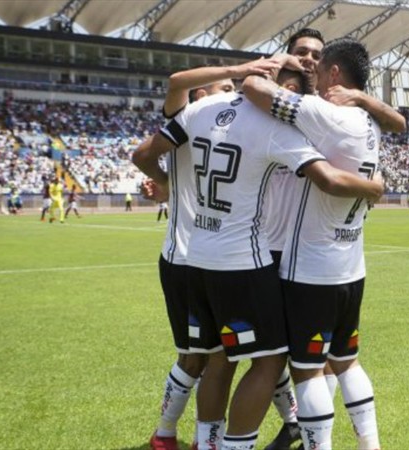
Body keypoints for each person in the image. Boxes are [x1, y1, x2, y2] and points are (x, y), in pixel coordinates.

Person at [136, 62, 383, 450]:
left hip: (193, 257)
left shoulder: (202, 109)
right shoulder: (274, 128)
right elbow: (329, 179)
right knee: (270, 362)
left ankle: (206, 443)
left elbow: (143, 153)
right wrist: (374, 185)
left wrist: (170, 187)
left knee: (217, 361)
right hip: (242, 261)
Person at [133, 59, 302, 450]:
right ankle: (170, 435)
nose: (230, 93)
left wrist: (166, 183)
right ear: (200, 92)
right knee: (203, 360)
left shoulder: (208, 120)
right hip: (191, 258)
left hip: (207, 256)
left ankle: (205, 439)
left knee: (230, 355)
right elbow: (175, 81)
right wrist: (168, 184)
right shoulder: (191, 112)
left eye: (232, 87)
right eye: (221, 87)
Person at [261, 28, 406, 450]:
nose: (314, 70)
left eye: (319, 64)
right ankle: (369, 445)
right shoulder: (367, 122)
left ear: (335, 71)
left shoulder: (323, 113)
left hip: (310, 267)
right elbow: (397, 121)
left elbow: (254, 89)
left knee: (307, 370)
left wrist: (269, 66)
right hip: (350, 265)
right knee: (346, 363)